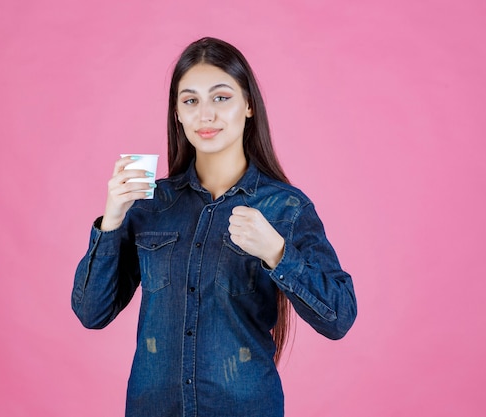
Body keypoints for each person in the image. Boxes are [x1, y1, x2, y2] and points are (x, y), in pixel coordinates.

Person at [72, 37, 357, 417]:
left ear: (249, 105)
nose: (205, 115)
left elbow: (339, 318)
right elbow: (92, 313)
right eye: (190, 101)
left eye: (221, 97)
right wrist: (112, 220)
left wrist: (277, 252)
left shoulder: (285, 207)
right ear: (177, 112)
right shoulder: (151, 205)